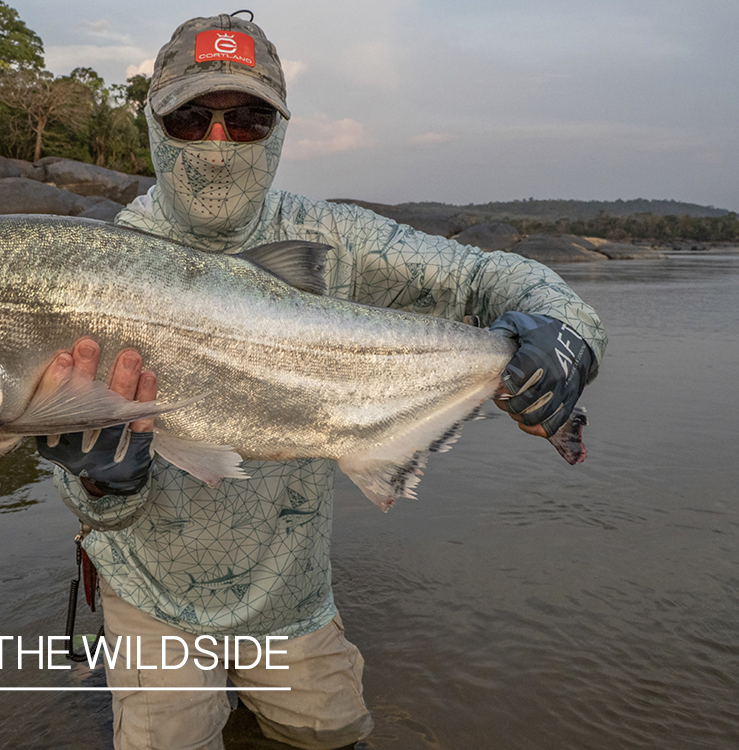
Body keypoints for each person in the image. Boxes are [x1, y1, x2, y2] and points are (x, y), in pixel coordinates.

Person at [36, 11, 606, 750]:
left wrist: (564, 333)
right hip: (151, 598)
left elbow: (496, 277)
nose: (217, 146)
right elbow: (67, 470)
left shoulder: (336, 240)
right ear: (152, 122)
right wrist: (100, 487)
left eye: (245, 121)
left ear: (277, 130)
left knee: (331, 737)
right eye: (190, 119)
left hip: (293, 596)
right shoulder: (92, 265)